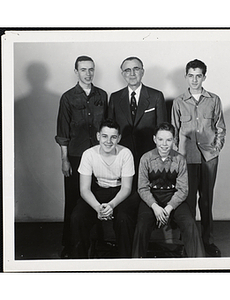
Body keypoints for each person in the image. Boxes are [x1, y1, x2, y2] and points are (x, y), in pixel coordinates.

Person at [171, 59, 226, 257]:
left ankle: (207, 242)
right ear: (186, 76)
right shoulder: (179, 102)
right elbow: (174, 132)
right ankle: (188, 242)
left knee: (206, 200)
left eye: (199, 76)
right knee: (187, 202)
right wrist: (178, 156)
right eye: (191, 76)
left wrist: (216, 149)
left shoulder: (213, 100)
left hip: (208, 158)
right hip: (187, 158)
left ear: (204, 77)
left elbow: (220, 127)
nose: (195, 80)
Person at [55, 56, 108, 258]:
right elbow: (62, 131)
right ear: (76, 72)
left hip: (99, 156)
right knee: (74, 200)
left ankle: (95, 243)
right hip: (76, 156)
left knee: (96, 196)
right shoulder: (68, 98)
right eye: (83, 70)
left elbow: (107, 127)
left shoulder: (102, 95)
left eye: (91, 69)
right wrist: (64, 159)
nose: (88, 73)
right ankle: (70, 245)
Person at [132, 122, 205, 258]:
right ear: (154, 139)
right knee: (141, 225)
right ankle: (136, 264)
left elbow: (182, 190)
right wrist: (155, 207)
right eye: (160, 139)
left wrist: (168, 208)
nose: (164, 144)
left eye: (168, 140)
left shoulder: (180, 160)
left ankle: (199, 264)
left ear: (174, 140)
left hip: (173, 199)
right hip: (151, 199)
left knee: (189, 223)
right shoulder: (146, 158)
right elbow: (142, 188)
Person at [69, 119, 137, 258]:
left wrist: (111, 205)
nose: (108, 141)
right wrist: (97, 208)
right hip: (98, 191)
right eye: (105, 136)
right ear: (98, 136)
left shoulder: (126, 153)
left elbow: (126, 187)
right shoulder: (89, 154)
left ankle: (125, 264)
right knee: (77, 217)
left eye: (113, 137)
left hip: (120, 193)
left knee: (124, 219)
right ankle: (79, 264)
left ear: (119, 138)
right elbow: (84, 189)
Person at [108, 56, 167, 184]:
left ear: (142, 71)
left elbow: (163, 131)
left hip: (150, 157)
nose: (132, 74)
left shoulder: (156, 96)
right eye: (127, 70)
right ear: (123, 74)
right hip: (122, 156)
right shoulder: (115, 97)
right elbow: (110, 131)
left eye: (136, 69)